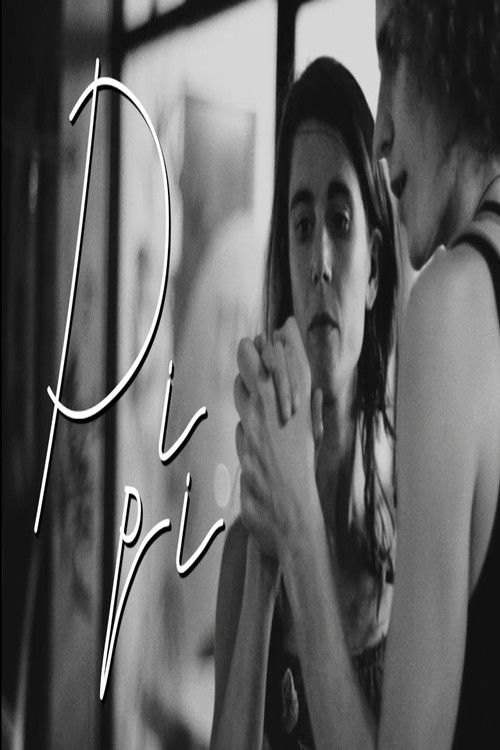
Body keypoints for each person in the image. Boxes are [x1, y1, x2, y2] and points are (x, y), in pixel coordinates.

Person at [233, 1, 500, 748]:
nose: (382, 132)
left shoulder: (453, 305)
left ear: (451, 37)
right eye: (300, 225)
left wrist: (298, 522)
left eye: (393, 52)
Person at [211, 57, 398, 749]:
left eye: (340, 222)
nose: (319, 258)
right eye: (301, 224)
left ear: (374, 269)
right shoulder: (244, 550)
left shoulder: (411, 531)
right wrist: (266, 562)